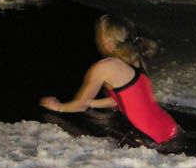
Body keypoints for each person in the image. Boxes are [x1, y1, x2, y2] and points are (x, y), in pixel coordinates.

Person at [40, 14, 179, 144]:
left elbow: (79, 106)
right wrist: (91, 103)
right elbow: (121, 100)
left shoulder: (105, 67)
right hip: (170, 127)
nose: (96, 39)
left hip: (155, 137)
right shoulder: (135, 59)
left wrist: (58, 106)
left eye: (99, 34)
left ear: (107, 39)